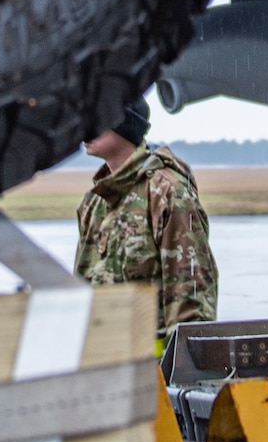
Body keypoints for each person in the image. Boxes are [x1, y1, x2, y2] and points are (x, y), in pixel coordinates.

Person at [73, 97, 217, 341]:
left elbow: (191, 297)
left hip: (153, 372)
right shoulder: (94, 202)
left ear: (124, 125)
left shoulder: (167, 193)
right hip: (105, 367)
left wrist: (180, 372)